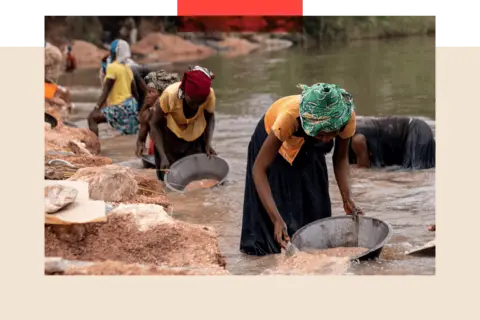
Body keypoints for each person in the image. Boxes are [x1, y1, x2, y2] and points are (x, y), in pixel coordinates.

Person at [240, 83, 363, 256]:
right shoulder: (289, 117)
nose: (327, 139)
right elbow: (258, 170)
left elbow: (341, 157)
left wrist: (346, 196)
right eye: (321, 134)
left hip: (308, 142)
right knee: (278, 211)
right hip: (274, 139)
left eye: (332, 133)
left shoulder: (345, 117)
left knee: (315, 202)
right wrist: (276, 219)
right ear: (309, 125)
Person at [149, 66, 216, 180]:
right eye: (193, 101)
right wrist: (163, 155)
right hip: (170, 140)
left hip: (195, 138)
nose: (197, 106)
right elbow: (154, 124)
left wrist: (207, 143)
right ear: (184, 92)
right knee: (171, 180)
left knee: (198, 177)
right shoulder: (170, 95)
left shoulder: (209, 94)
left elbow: (210, 117)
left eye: (200, 102)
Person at [88, 39, 139, 136]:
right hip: (131, 106)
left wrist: (96, 108)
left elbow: (105, 91)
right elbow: (135, 92)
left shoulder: (112, 67)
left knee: (92, 118)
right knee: (128, 136)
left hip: (120, 107)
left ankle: (95, 148)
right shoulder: (128, 68)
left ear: (114, 51)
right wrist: (138, 110)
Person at [348, 116, 435, 170]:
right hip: (419, 130)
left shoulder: (356, 138)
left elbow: (363, 170)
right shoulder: (353, 125)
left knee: (413, 175)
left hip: (416, 134)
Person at [135, 70, 180, 161]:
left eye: (151, 92)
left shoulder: (177, 109)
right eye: (147, 92)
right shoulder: (147, 113)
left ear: (163, 94)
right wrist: (140, 146)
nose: (147, 96)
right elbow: (141, 139)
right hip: (157, 150)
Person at [99, 40, 150, 109]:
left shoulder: (129, 67)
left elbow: (139, 90)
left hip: (141, 79)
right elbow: (105, 91)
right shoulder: (105, 68)